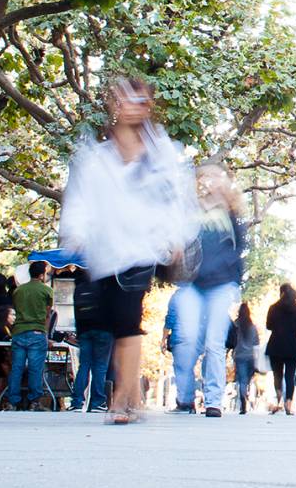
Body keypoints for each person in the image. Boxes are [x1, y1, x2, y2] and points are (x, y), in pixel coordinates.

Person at [59, 75, 200, 425]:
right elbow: (79, 198)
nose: (130, 105)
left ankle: (121, 399)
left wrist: (176, 236)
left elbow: (177, 198)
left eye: (138, 99)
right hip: (105, 250)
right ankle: (133, 396)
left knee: (126, 318)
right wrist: (74, 234)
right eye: (123, 98)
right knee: (111, 321)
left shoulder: (161, 152)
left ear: (147, 105)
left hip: (143, 246)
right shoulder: (97, 155)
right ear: (114, 104)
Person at [167, 165, 247, 418]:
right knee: (187, 340)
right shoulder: (190, 209)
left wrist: (233, 279)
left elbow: (239, 248)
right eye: (206, 175)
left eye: (216, 176)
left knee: (214, 342)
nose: (210, 180)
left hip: (220, 284)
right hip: (191, 282)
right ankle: (185, 397)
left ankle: (213, 401)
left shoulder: (230, 213)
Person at [5, 260, 54, 411]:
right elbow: (48, 314)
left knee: (17, 368)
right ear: (41, 275)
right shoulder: (46, 291)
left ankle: (12, 401)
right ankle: (34, 401)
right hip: (37, 331)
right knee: (35, 368)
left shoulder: (18, 291)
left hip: (19, 332)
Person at [70, 267, 113, 413]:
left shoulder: (79, 288)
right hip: (104, 330)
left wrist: (79, 332)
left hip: (84, 331)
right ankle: (97, 402)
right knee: (100, 367)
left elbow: (76, 312)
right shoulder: (105, 287)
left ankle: (76, 402)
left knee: (84, 366)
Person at [265, 283, 296, 415]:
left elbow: (268, 326)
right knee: (290, 376)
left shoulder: (273, 308)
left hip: (276, 345)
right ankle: (288, 403)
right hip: (292, 347)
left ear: (281, 293)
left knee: (277, 374)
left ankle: (279, 400)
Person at [226, 302, 261, 414]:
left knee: (242, 379)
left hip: (239, 355)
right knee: (247, 380)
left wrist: (229, 351)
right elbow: (256, 343)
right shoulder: (252, 327)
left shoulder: (236, 325)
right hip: (251, 356)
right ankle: (244, 394)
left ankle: (243, 398)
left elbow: (231, 339)